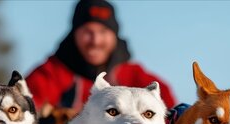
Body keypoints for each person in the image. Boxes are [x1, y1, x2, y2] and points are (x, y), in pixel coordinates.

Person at [25, 0, 177, 111]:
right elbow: (23, 111)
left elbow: (171, 113)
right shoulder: (51, 73)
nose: (95, 41)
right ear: (74, 34)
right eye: (87, 31)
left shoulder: (133, 76)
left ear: (114, 36)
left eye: (103, 32)